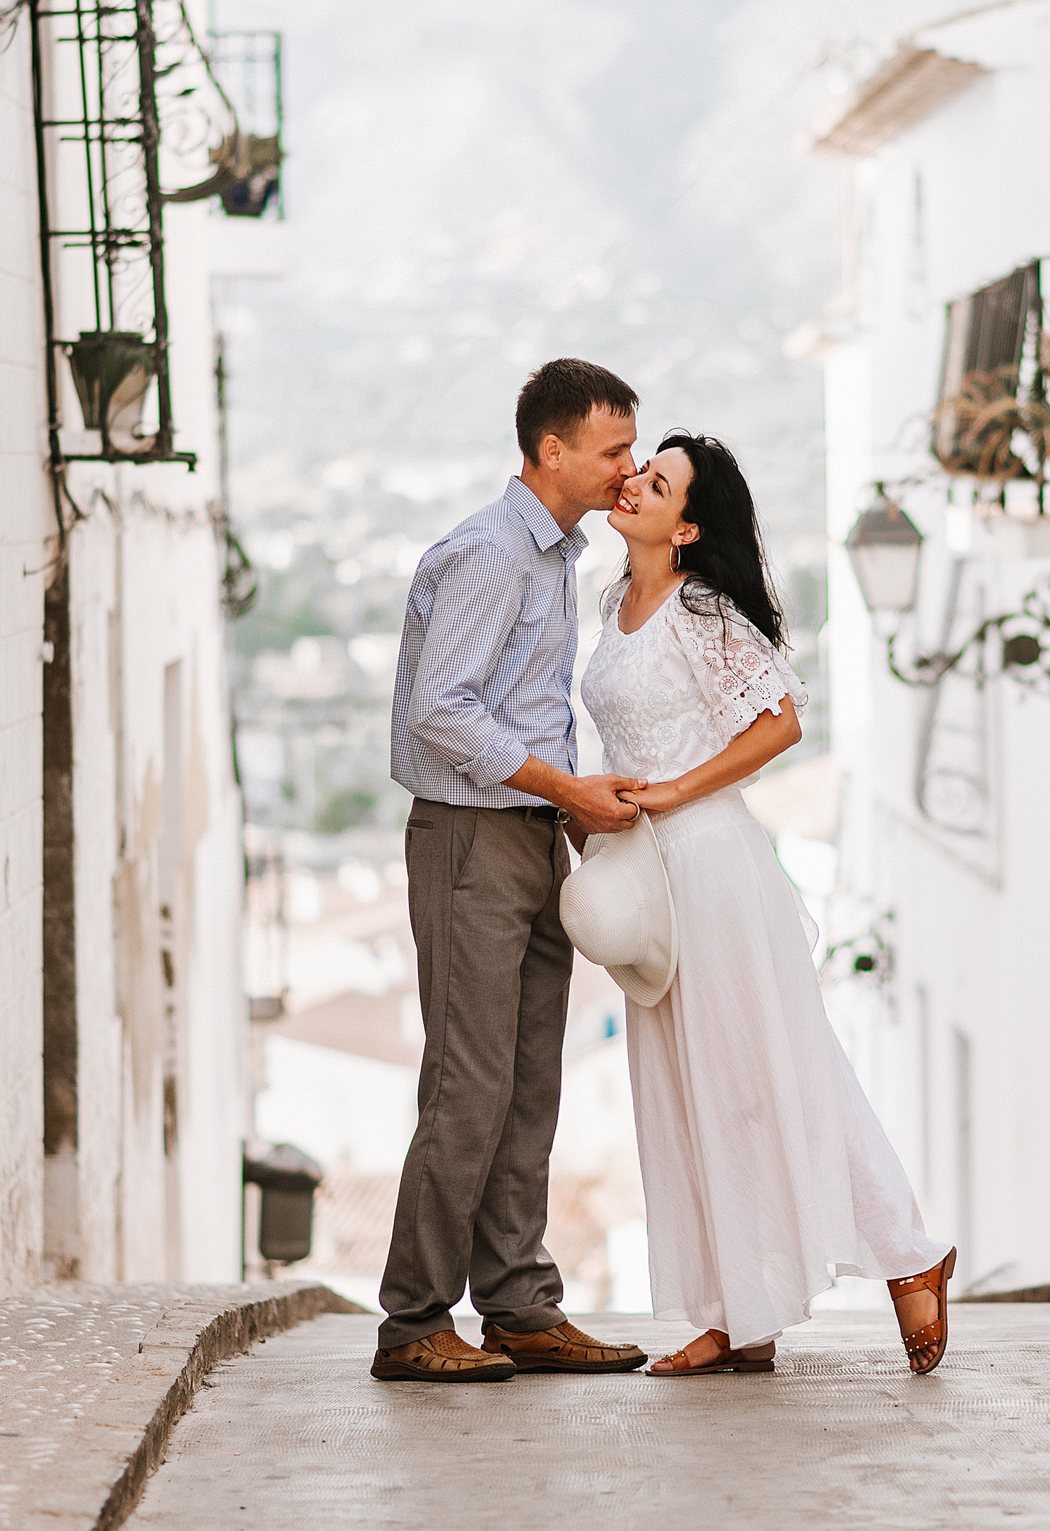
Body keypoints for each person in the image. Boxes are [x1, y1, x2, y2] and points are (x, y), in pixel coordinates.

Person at [582, 433, 957, 1378]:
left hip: (712, 868)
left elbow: (781, 720)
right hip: (648, 879)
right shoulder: (613, 604)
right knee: (683, 1088)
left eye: (657, 483)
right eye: (640, 472)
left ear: (687, 526)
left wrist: (677, 789)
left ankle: (908, 1254)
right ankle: (734, 1311)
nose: (634, 486)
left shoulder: (701, 610)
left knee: (766, 1077)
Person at [372, 360, 655, 1384]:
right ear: (551, 449)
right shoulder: (492, 554)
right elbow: (440, 712)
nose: (627, 467)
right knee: (469, 1081)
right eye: (613, 449)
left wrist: (567, 810)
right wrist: (565, 788)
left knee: (530, 1081)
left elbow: (525, 707)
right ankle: (412, 1321)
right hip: (470, 842)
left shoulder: (554, 557)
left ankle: (519, 1305)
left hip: (530, 836)